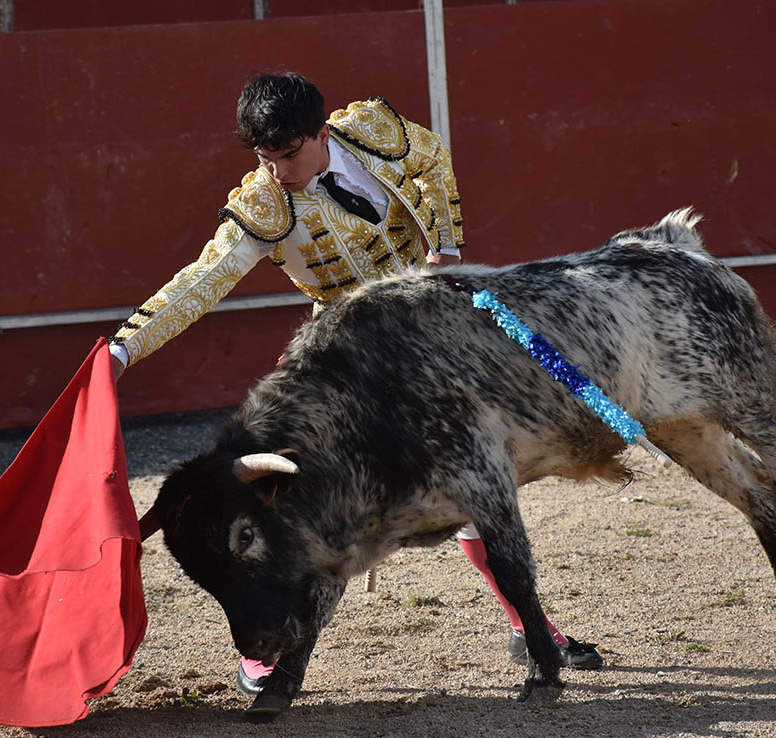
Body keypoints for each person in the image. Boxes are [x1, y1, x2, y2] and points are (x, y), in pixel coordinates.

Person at [108, 72, 602, 696]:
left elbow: (433, 157)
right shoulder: (265, 206)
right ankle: (274, 657)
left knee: (481, 480)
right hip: (350, 370)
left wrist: (446, 247)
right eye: (265, 159)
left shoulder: (373, 133)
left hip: (429, 333)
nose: (279, 172)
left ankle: (532, 630)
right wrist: (126, 347)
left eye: (289, 155)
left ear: (321, 134)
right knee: (316, 504)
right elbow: (200, 281)